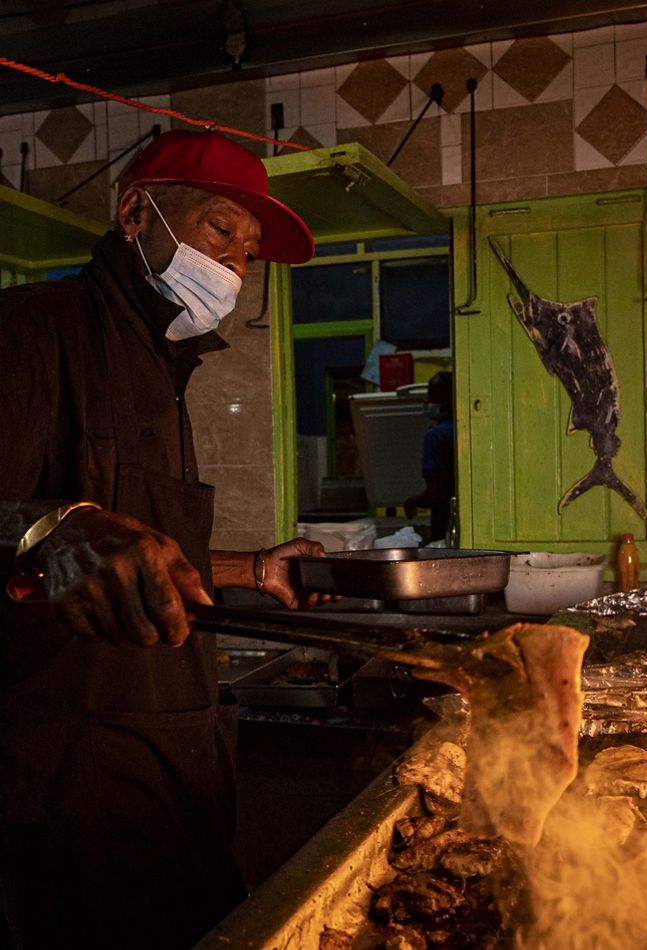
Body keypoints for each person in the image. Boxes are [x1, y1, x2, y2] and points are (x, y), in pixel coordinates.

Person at [0, 129, 326, 950]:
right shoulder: (31, 334)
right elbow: (58, 536)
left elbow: (129, 552)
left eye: (249, 254)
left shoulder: (159, 366)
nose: (235, 267)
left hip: (173, 762)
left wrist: (252, 569)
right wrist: (51, 528)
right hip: (72, 786)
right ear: (136, 212)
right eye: (221, 230)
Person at [404, 371, 455, 542]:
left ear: (447, 399)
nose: (426, 400)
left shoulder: (436, 436)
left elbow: (437, 492)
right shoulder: (467, 430)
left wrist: (412, 502)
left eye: (432, 394)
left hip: (446, 522)